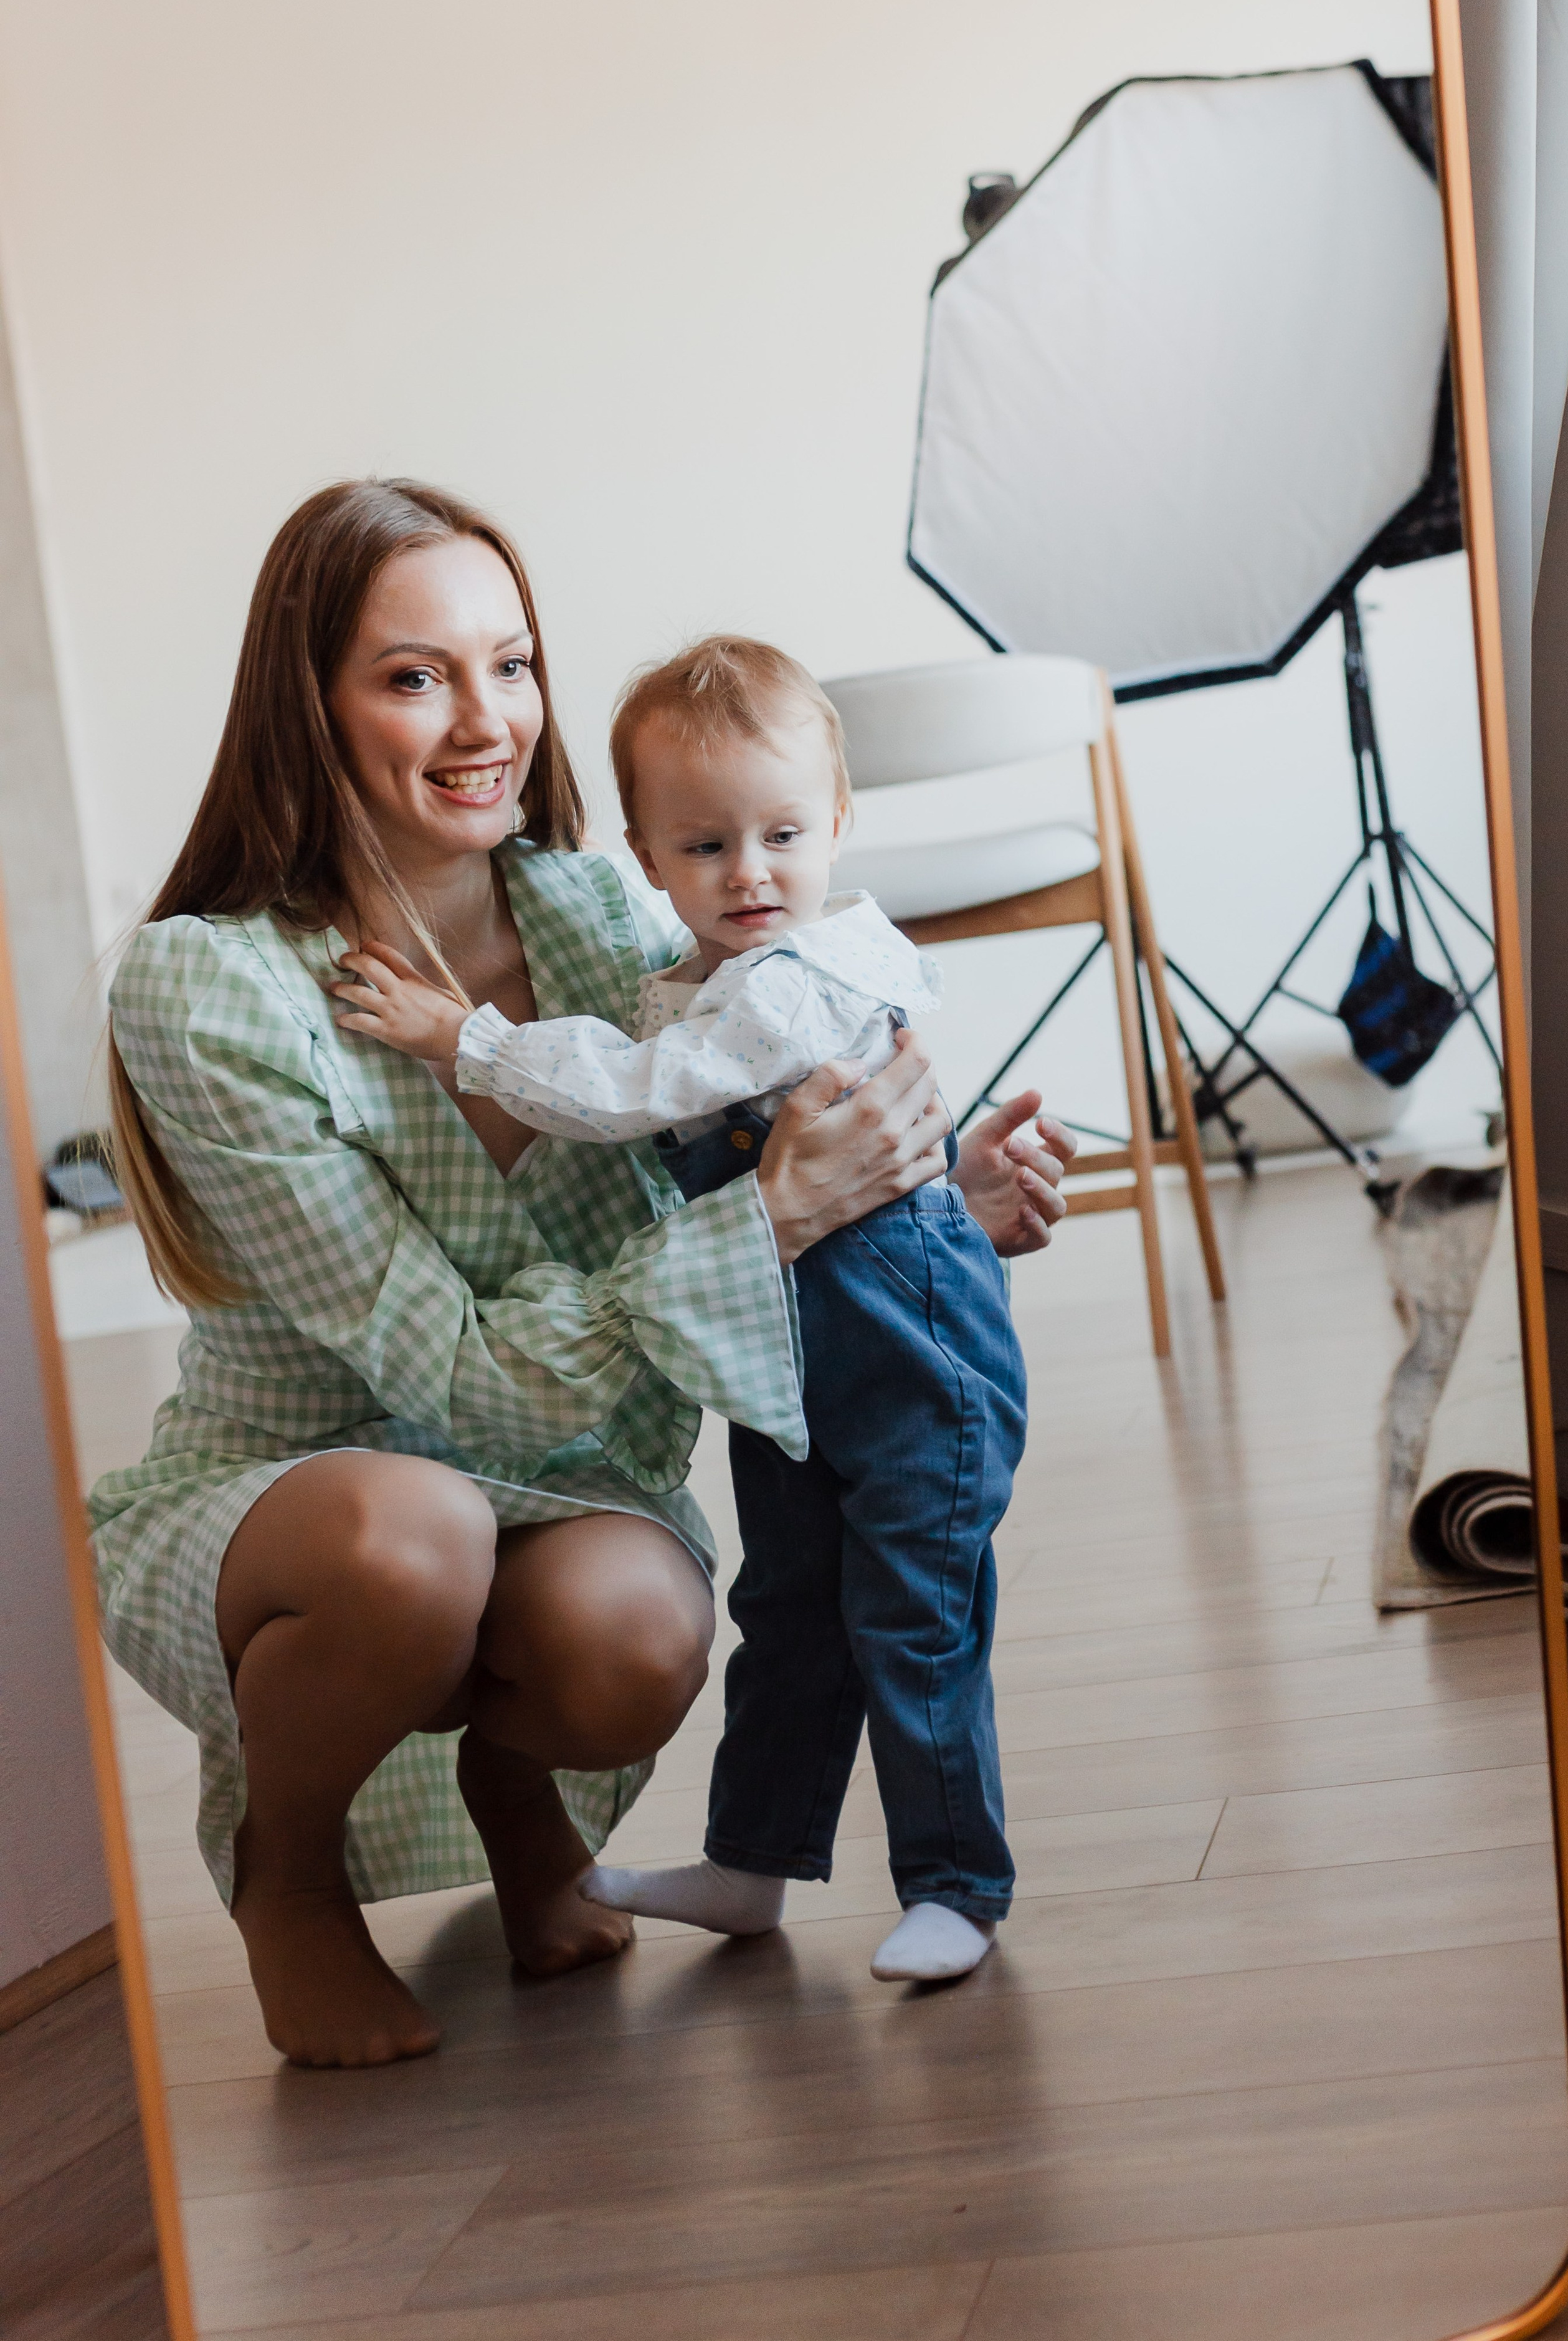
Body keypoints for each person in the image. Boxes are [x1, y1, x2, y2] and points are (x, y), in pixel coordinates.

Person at [94, 482, 1074, 2070]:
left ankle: (518, 1796)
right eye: (414, 675)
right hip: (305, 1498)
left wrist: (924, 1203)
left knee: (640, 1641)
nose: (484, 719)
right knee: (411, 1535)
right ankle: (292, 1886)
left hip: (550, 1472)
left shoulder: (604, 910)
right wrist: (778, 1215)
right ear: (310, 702)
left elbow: (718, 1171)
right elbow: (453, 1378)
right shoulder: (208, 984)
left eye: (512, 663)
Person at [328, 636, 1053, 1983]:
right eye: (705, 846)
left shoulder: (799, 980)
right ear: (646, 858)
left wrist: (461, 1040)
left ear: (836, 821)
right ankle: (750, 1865)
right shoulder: (700, 976)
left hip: (914, 1357)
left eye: (782, 833)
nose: (751, 874)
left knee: (913, 1611)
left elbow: (634, 1090)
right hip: (785, 1354)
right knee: (785, 1611)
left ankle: (955, 1882)